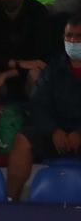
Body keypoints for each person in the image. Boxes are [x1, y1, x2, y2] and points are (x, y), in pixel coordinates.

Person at [5, 15, 81, 200]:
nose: (73, 41)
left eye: (79, 37)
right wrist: (54, 130)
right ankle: (10, 202)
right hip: (56, 132)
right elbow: (39, 104)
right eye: (69, 36)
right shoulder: (54, 67)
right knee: (23, 140)